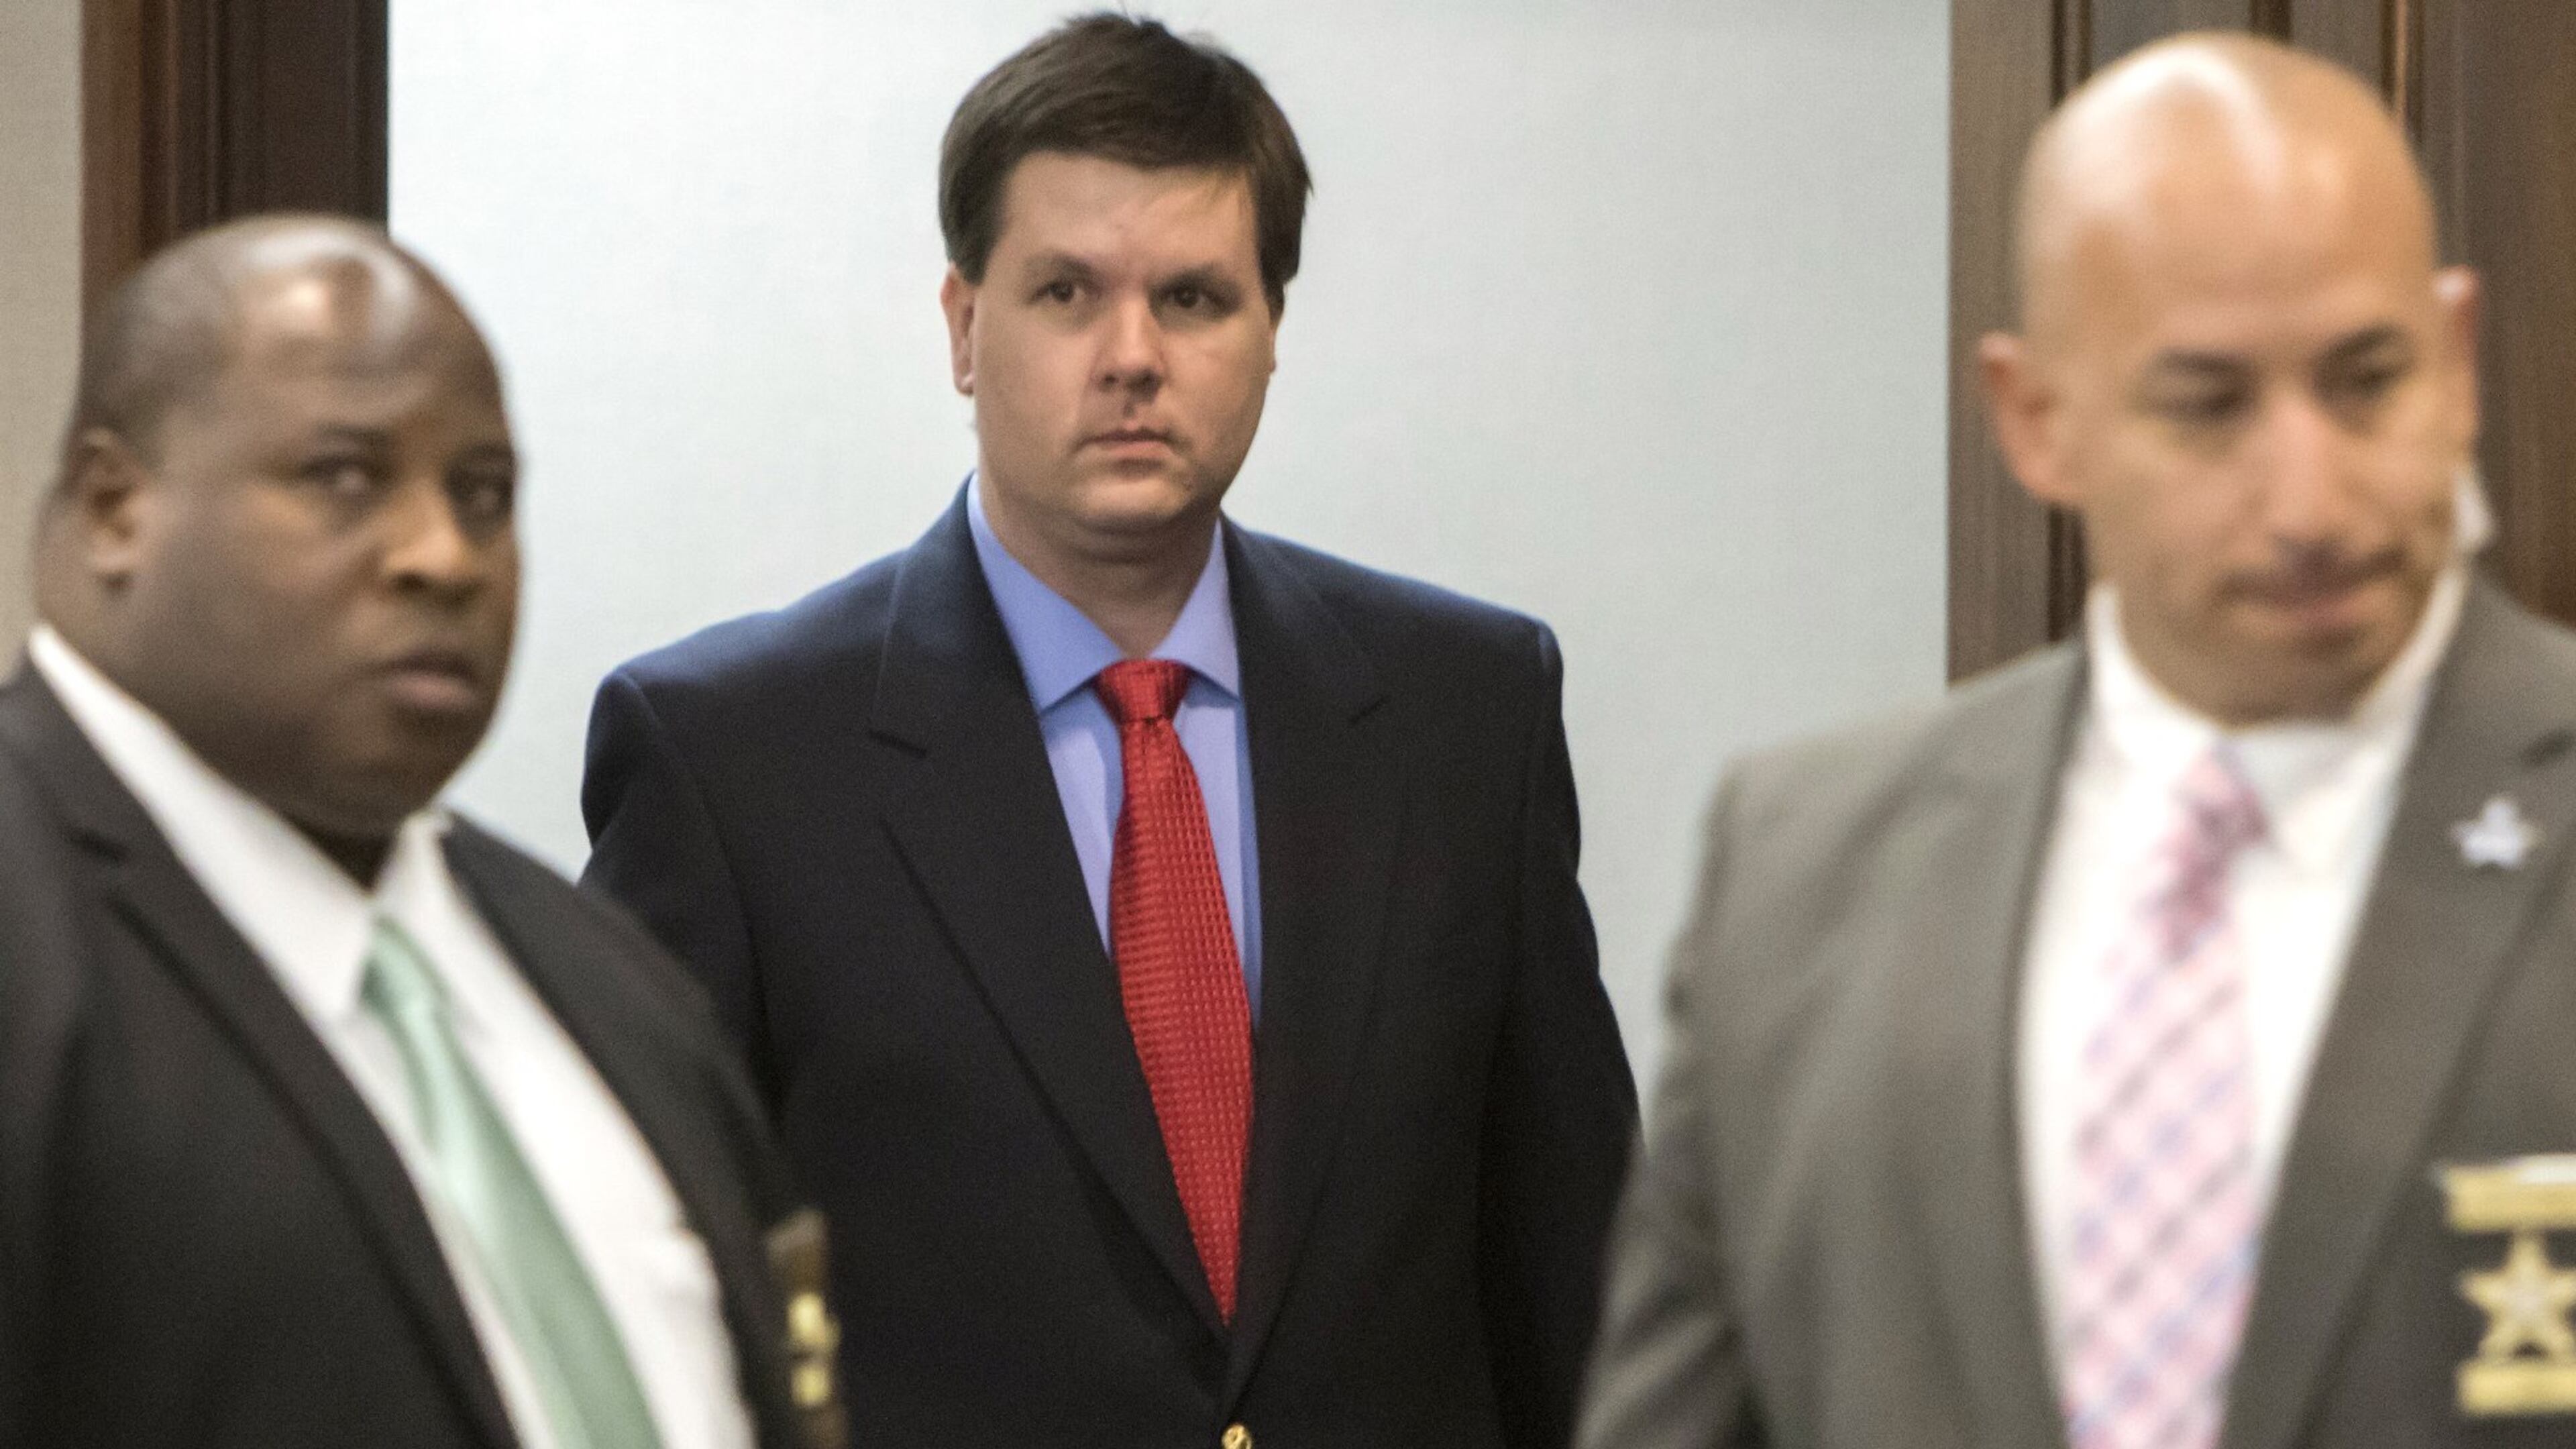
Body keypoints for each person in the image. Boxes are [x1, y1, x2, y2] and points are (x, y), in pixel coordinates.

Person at [582, 13, 1638, 1447]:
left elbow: (1572, 1273)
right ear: (964, 329)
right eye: (1068, 293)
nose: (1133, 357)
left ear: (1274, 331)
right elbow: (640, 1317)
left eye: (1197, 299)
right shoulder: (730, 760)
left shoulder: (1468, 714)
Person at [1578, 32, 2566, 1449]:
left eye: (2366, 381)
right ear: (2037, 422)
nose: (2310, 495)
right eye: (2208, 406)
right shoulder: (1801, 882)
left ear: (2461, 359)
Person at [0, 215, 844, 1449]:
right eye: (344, 477)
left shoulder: (603, 980)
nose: (445, 556)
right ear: (115, 506)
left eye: (484, 494)